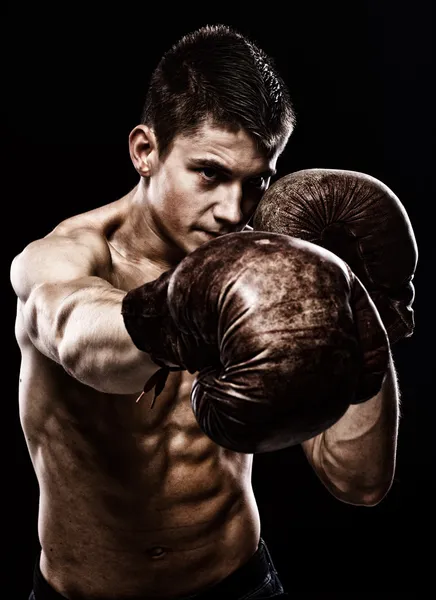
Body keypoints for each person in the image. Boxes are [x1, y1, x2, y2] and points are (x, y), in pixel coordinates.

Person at [10, 24, 405, 600]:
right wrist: (188, 307)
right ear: (146, 151)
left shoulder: (267, 269)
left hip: (239, 585)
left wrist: (364, 311)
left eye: (257, 181)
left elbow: (360, 481)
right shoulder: (66, 258)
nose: (233, 211)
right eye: (211, 174)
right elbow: (75, 336)